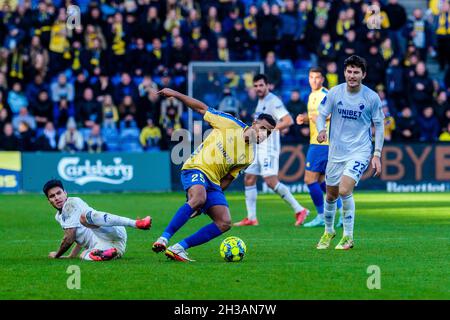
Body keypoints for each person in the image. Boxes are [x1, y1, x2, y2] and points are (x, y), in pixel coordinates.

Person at [151, 88, 276, 262]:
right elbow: (201, 108)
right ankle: (163, 238)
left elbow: (227, 179)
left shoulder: (250, 156)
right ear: (254, 123)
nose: (264, 134)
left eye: (268, 133)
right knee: (199, 197)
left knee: (224, 222)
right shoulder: (229, 123)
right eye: (263, 128)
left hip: (213, 182)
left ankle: (178, 248)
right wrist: (175, 94)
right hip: (195, 167)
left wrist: (203, 206)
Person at [315, 55, 384, 250]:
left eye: (356, 72)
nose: (352, 75)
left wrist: (376, 154)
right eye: (349, 71)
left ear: (363, 74)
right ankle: (328, 231)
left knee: (345, 190)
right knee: (330, 195)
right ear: (344, 72)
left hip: (360, 151)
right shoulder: (335, 93)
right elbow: (321, 114)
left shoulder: (371, 97)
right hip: (336, 152)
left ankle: (348, 236)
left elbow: (379, 126)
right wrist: (321, 129)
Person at [234, 74, 309, 227]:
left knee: (270, 181)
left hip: (269, 147)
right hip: (257, 146)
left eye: (261, 85)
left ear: (267, 85)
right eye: (256, 86)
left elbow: (288, 120)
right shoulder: (261, 101)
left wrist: (271, 130)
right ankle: (251, 218)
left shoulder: (273, 101)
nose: (258, 88)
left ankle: (300, 209)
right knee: (249, 178)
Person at [43, 179, 151, 261]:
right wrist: (71, 256)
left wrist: (57, 255)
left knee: (84, 218)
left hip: (109, 232)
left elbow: (69, 238)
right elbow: (76, 237)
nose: (57, 197)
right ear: (49, 201)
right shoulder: (59, 216)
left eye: (59, 193)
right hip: (111, 246)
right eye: (52, 196)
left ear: (65, 193)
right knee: (83, 255)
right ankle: (105, 254)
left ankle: (136, 223)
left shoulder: (71, 203)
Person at [296, 67, 343, 228]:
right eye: (311, 77)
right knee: (323, 181)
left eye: (317, 77)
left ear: (322, 79)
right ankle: (343, 211)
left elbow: (334, 113)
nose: (314, 80)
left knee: (309, 179)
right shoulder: (311, 96)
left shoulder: (325, 94)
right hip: (318, 142)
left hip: (322, 143)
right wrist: (305, 118)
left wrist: (314, 117)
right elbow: (315, 117)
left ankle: (322, 215)